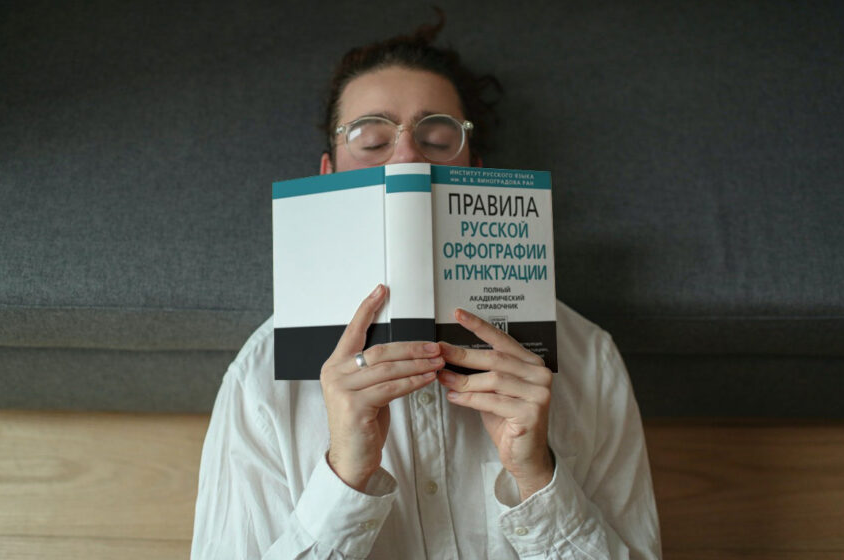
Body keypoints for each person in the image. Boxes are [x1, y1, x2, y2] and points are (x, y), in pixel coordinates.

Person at [192, 14, 661, 560]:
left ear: (476, 170)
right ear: (329, 174)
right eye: (371, 140)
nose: (407, 157)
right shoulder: (260, 380)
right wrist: (344, 477)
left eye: (437, 138)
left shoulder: (587, 357)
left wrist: (536, 477)